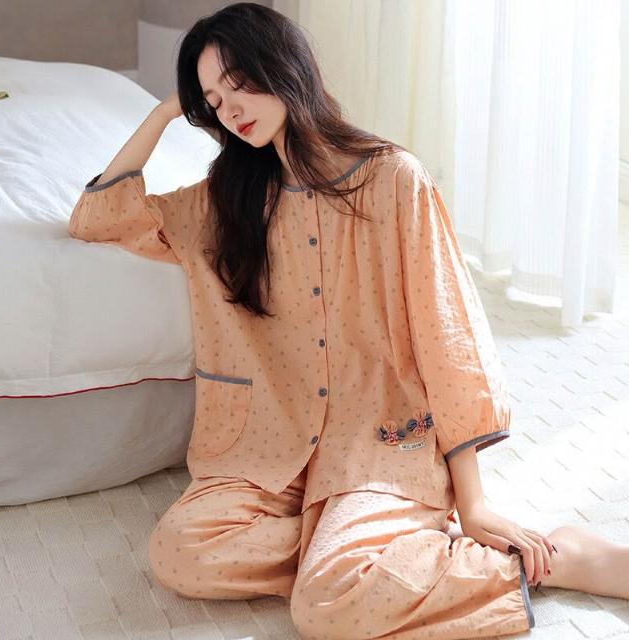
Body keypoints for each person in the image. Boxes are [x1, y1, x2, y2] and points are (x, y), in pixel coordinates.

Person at [67, 3, 629, 638]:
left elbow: (448, 342)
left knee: (325, 608)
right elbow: (97, 218)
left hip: (377, 443)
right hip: (267, 445)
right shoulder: (223, 201)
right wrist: (168, 110)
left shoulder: (394, 181)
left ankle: (555, 560)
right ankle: (359, 553)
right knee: (181, 553)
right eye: (214, 101)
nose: (230, 109)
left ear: (282, 65)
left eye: (239, 82)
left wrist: (473, 505)